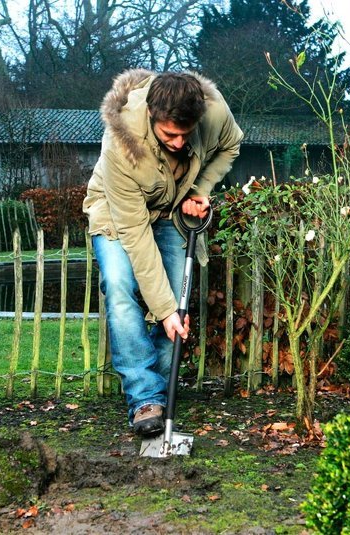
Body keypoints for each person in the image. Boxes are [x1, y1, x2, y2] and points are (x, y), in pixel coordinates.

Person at [83, 69, 243, 437]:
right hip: (118, 213)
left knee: (178, 303)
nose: (178, 141)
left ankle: (159, 389)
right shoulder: (121, 145)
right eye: (169, 133)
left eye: (186, 134)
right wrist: (164, 309)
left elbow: (232, 142)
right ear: (153, 116)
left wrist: (198, 190)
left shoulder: (213, 111)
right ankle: (144, 399)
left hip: (171, 209)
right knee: (121, 286)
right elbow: (135, 235)